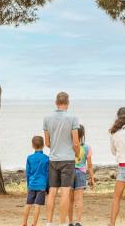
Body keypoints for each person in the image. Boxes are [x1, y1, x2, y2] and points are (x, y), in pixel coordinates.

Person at [43, 92, 80, 226]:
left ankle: (48, 222)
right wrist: (77, 154)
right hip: (68, 159)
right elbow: (76, 142)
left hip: (53, 159)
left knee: (52, 191)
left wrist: (56, 147)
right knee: (65, 191)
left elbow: (47, 143)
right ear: (68, 103)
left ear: (56, 103)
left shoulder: (47, 118)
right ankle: (63, 223)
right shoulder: (73, 118)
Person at [68, 125, 95, 226]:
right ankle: (78, 222)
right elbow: (90, 165)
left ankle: (70, 222)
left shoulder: (69, 146)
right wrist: (92, 178)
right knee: (79, 199)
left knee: (69, 200)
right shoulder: (87, 147)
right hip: (81, 173)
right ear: (83, 134)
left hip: (69, 172)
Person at [22, 136, 49, 226]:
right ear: (43, 145)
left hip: (32, 184)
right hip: (42, 185)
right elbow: (48, 174)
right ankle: (34, 224)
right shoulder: (46, 158)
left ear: (32, 145)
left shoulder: (29, 158)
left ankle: (24, 223)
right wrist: (47, 188)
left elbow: (28, 173)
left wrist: (28, 186)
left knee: (28, 204)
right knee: (37, 205)